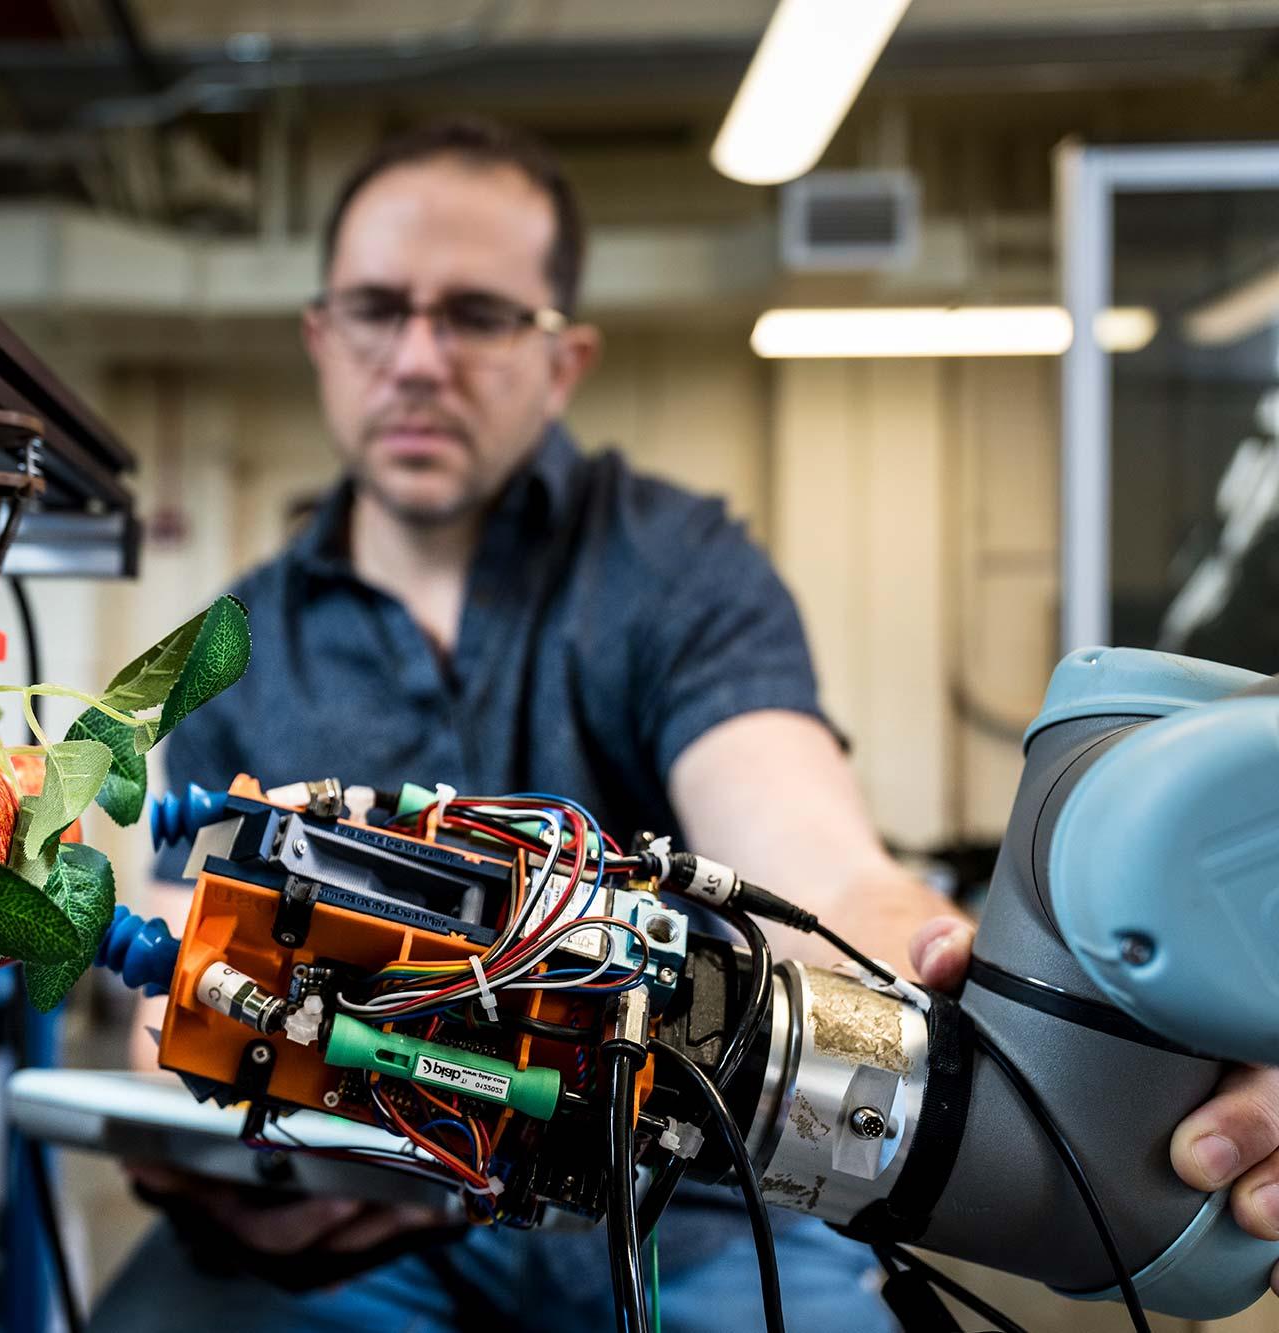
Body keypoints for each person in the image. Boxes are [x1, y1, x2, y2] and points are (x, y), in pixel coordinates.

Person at [90, 119, 1279, 1331]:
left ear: (564, 360)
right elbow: (187, 963)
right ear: (320, 335)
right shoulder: (231, 648)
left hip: (693, 1200)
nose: (416, 358)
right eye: (376, 309)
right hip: (373, 1216)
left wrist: (1092, 1054)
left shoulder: (677, 571)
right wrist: (229, 1133)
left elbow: (816, 863)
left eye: (478, 316)